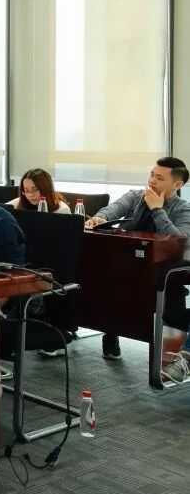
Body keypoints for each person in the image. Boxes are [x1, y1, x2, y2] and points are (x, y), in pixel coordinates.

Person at [86, 157, 190, 370]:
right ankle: (111, 331)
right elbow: (112, 210)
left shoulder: (183, 209)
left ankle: (167, 360)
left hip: (162, 272)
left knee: (167, 301)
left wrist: (157, 210)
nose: (152, 181)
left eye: (159, 178)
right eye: (152, 174)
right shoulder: (135, 196)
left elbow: (178, 242)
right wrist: (99, 219)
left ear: (177, 184)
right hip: (128, 266)